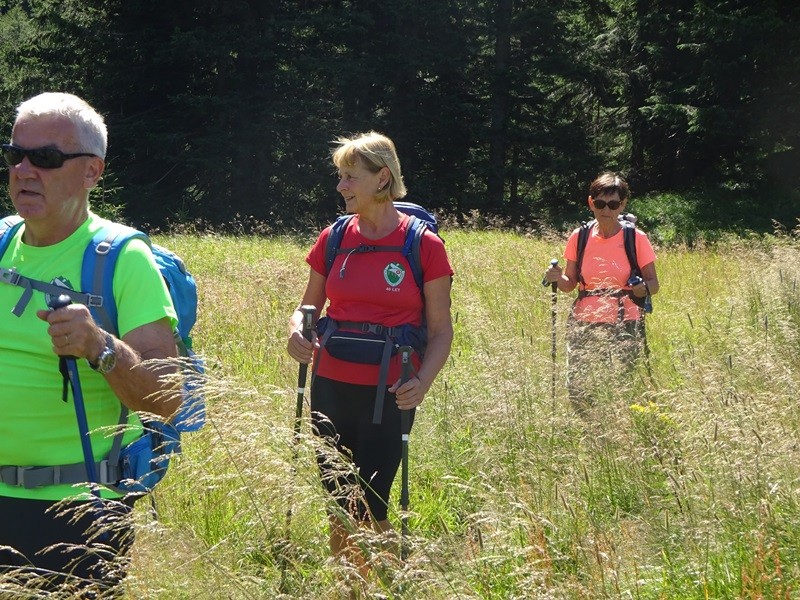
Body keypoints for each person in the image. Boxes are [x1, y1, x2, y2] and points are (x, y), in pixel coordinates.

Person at [0, 92, 180, 594]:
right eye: (15, 154)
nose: (24, 169)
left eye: (47, 158)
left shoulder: (122, 260)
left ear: (91, 172)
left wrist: (101, 346)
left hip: (75, 512)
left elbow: (168, 397)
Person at [286, 131, 453, 577]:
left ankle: (383, 581)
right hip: (330, 385)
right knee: (338, 497)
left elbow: (440, 331)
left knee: (373, 499)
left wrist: (423, 382)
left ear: (382, 178)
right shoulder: (334, 237)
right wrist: (296, 331)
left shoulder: (424, 246)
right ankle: (348, 583)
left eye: (350, 177)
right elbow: (308, 306)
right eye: (340, 176)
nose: (341, 186)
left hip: (392, 390)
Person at [544, 172, 659, 412]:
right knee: (577, 387)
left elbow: (654, 284)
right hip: (583, 321)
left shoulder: (636, 238)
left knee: (621, 385)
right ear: (590, 203)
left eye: (613, 204)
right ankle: (591, 431)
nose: (606, 209)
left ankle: (619, 431)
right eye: (600, 203)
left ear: (622, 205)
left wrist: (642, 288)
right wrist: (556, 277)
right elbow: (570, 284)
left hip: (625, 320)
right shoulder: (580, 237)